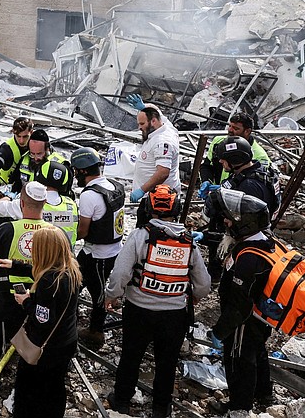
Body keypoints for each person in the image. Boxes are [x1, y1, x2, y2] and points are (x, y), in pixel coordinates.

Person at [104, 185, 211, 418]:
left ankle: (122, 401)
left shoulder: (140, 236)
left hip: (139, 310)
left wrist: (112, 295)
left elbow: (121, 273)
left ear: (148, 208)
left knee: (131, 356)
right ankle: (161, 408)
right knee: (167, 361)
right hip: (174, 315)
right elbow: (203, 283)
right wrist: (193, 297)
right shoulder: (188, 241)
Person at [0, 181, 51, 394]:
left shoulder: (8, 229)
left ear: (21, 203)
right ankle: (30, 384)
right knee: (37, 340)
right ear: (44, 204)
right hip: (39, 298)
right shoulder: (54, 233)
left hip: (7, 298)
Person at [206, 189, 275, 417]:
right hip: (260, 317)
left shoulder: (248, 260)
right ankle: (264, 393)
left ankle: (239, 408)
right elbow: (230, 240)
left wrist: (220, 332)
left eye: (230, 219)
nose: (226, 221)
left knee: (239, 363)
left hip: (243, 321)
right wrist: (206, 238)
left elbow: (239, 306)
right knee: (258, 353)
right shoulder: (264, 240)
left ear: (245, 223)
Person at [11, 226, 80, 418]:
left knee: (29, 391)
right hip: (67, 340)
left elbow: (42, 319)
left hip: (46, 349)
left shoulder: (49, 282)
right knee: (55, 388)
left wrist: (25, 301)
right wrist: (14, 265)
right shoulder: (71, 269)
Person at [198, 135, 281, 284]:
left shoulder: (249, 186)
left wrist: (208, 237)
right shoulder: (252, 174)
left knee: (235, 283)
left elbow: (242, 229)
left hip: (247, 246)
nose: (220, 161)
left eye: (223, 158)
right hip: (251, 237)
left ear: (235, 160)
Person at [73, 146, 125, 351]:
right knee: (77, 282)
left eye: (77, 171)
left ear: (83, 171)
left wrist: (62, 236)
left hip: (97, 253)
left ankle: (96, 331)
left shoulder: (89, 196)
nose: (75, 175)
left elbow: (83, 231)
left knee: (96, 293)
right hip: (110, 250)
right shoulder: (115, 185)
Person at [199, 112, 271, 186]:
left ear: (247, 131)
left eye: (236, 128)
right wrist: (206, 181)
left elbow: (258, 182)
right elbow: (206, 166)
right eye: (230, 126)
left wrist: (227, 188)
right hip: (216, 193)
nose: (230, 130)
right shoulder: (218, 142)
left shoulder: (259, 155)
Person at [133, 106, 181, 206]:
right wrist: (145, 108)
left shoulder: (162, 142)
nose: (139, 128)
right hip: (152, 196)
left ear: (153, 121)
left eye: (142, 124)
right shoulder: (166, 127)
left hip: (159, 200)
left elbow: (163, 173)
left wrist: (142, 190)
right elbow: (161, 117)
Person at [15, 128, 73, 197]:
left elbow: (66, 193)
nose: (36, 158)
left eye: (39, 154)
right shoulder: (24, 159)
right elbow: (17, 184)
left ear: (47, 149)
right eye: (32, 153)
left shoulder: (61, 166)